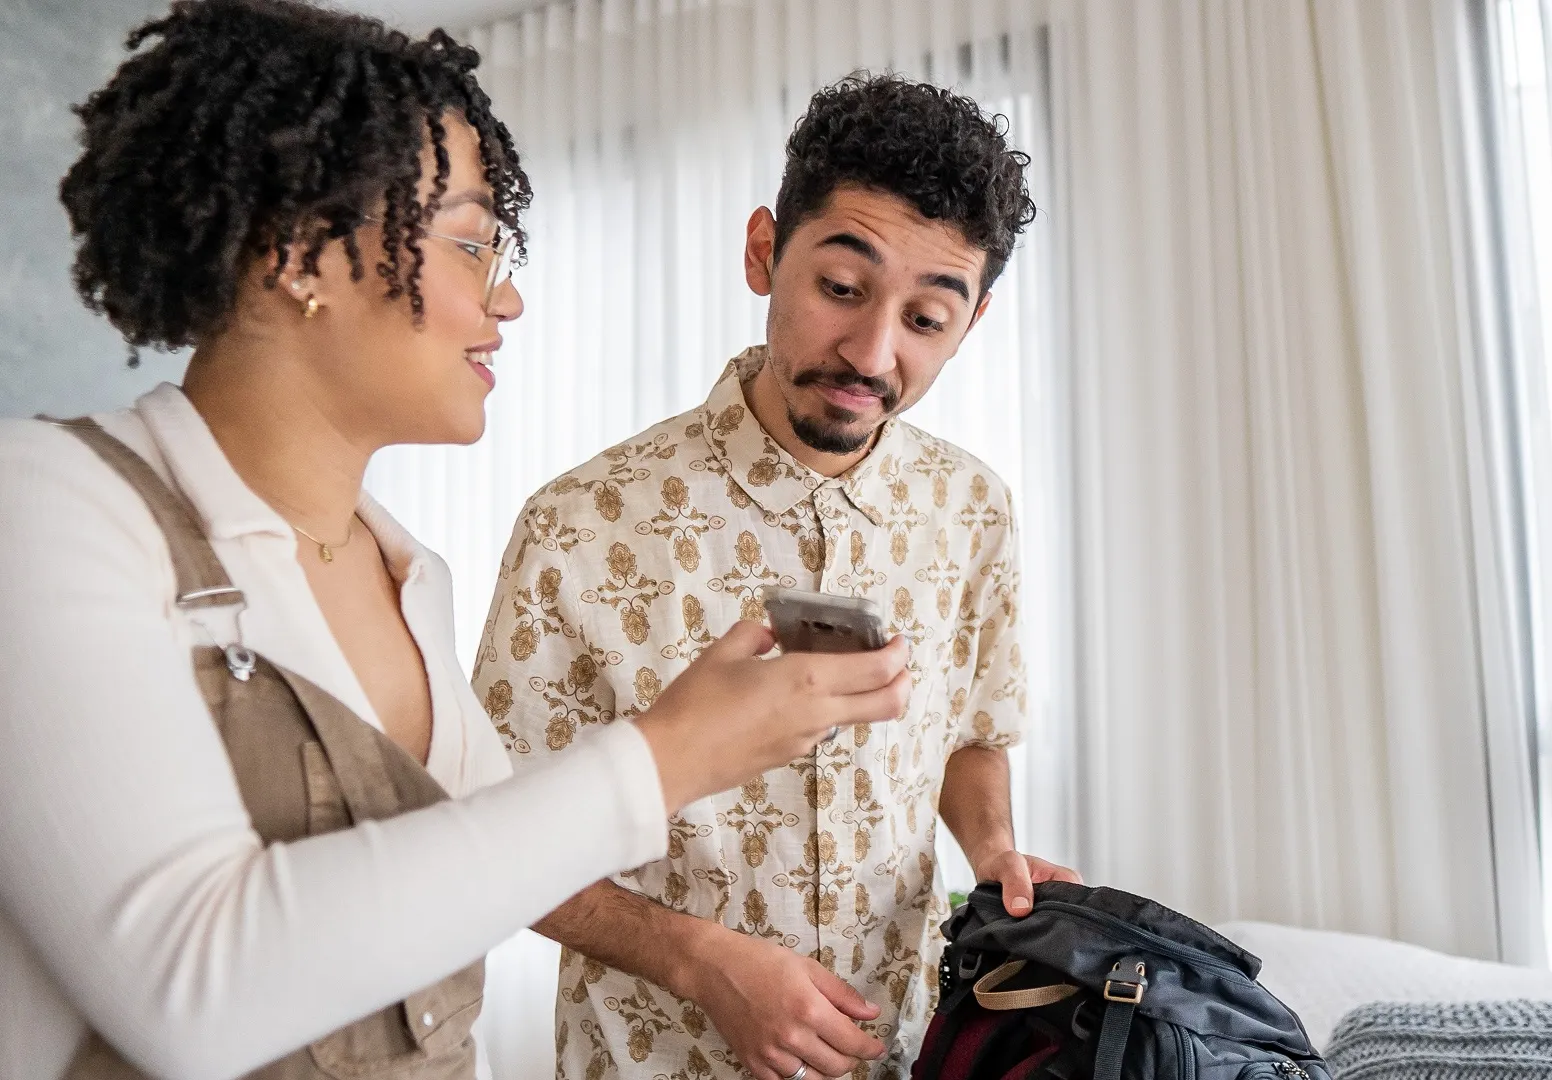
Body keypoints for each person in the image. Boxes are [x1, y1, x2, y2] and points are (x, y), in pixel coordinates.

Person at [0, 4, 909, 1079]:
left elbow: (484, 875)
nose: (509, 296)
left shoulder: (406, 577)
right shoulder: (46, 502)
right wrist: (667, 756)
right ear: (300, 252)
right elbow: (191, 988)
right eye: (473, 244)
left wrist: (709, 892)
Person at [472, 74, 1080, 1080]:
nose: (871, 351)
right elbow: (491, 843)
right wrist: (701, 962)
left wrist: (996, 855)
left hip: (903, 1054)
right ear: (764, 252)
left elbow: (971, 735)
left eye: (927, 319)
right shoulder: (578, 528)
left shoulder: (974, 511)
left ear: (969, 325)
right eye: (841, 290)